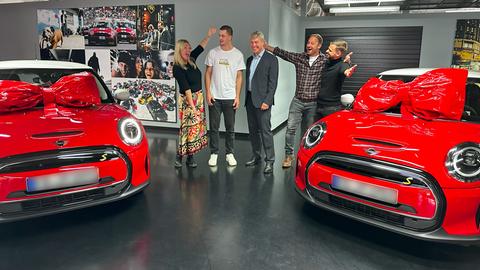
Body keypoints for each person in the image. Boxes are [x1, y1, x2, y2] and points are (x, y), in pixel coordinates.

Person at [265, 34, 327, 168]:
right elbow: (283, 53)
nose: (308, 45)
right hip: (297, 101)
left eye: (312, 43)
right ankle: (289, 155)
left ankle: (304, 155)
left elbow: (338, 63)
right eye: (308, 43)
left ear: (319, 46)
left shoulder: (324, 60)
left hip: (313, 103)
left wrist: (347, 62)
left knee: (308, 132)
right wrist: (266, 46)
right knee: (290, 130)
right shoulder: (300, 58)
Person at [173, 27, 217, 168]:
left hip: (198, 99)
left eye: (189, 47)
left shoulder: (191, 60)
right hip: (187, 101)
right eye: (185, 48)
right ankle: (180, 156)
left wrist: (208, 36)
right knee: (186, 129)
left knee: (194, 130)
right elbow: (186, 88)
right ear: (179, 50)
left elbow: (201, 47)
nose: (188, 50)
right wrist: (193, 107)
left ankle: (190, 157)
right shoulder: (177, 67)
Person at [205, 25, 246, 167]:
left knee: (230, 128)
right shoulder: (213, 53)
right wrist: (208, 93)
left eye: (223, 36)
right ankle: (214, 153)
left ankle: (230, 154)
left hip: (230, 97)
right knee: (214, 128)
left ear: (230, 37)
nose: (220, 38)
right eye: (219, 36)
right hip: (215, 97)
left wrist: (237, 96)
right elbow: (208, 74)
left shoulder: (238, 55)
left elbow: (239, 77)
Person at [244, 31, 278, 174]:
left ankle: (269, 161)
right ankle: (256, 156)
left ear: (263, 43)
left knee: (265, 132)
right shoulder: (249, 60)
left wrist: (267, 101)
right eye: (252, 42)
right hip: (250, 100)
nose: (254, 45)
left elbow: (273, 83)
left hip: (263, 102)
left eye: (256, 42)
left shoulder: (271, 59)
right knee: (253, 131)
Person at [316, 40, 357, 121]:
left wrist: (348, 70)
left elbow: (345, 70)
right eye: (328, 49)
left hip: (331, 108)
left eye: (330, 50)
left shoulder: (343, 65)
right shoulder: (326, 62)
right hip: (318, 105)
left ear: (338, 53)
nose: (326, 51)